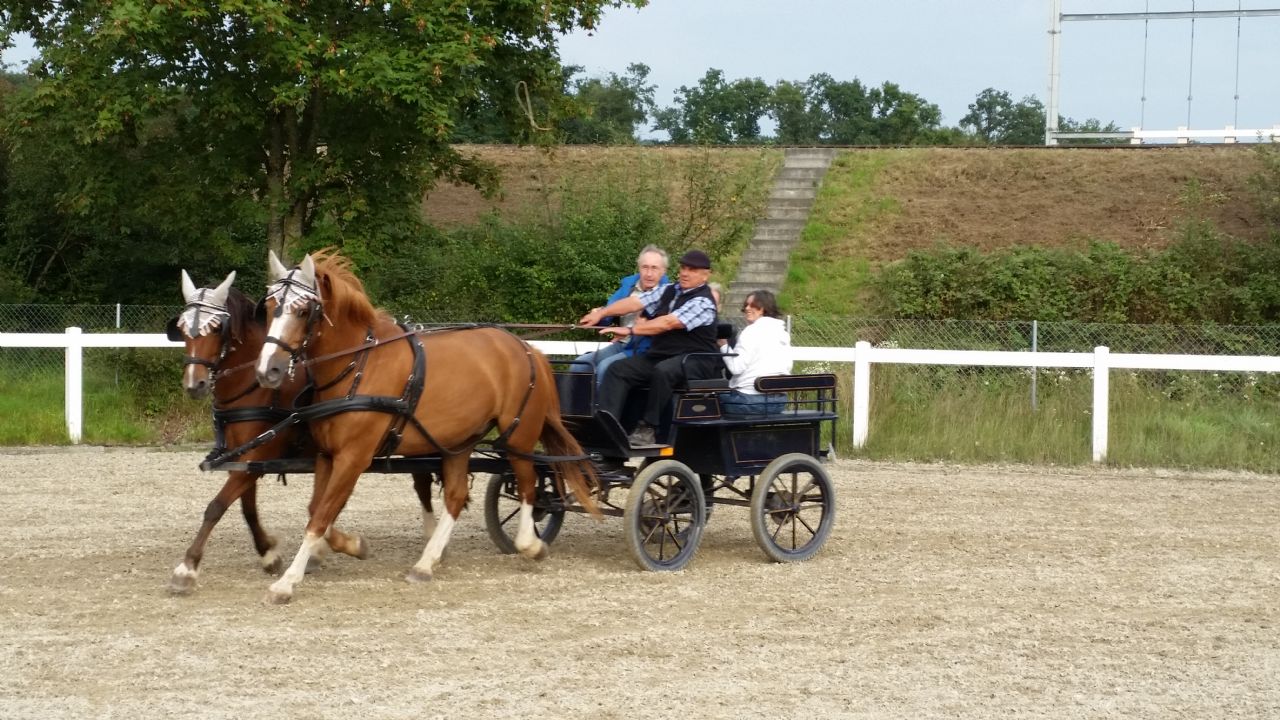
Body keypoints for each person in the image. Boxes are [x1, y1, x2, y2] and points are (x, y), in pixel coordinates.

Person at [578, 249, 721, 446]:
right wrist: (602, 313)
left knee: (663, 371)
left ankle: (649, 428)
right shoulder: (669, 290)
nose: (685, 273)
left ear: (706, 274)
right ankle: (606, 430)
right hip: (663, 354)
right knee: (618, 369)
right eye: (683, 268)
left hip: (696, 359)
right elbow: (635, 301)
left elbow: (668, 323)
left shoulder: (703, 301)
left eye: (692, 270)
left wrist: (631, 330)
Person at [575, 245, 669, 389]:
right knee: (579, 365)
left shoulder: (669, 293)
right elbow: (608, 315)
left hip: (646, 349)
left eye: (654, 268)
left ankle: (600, 411)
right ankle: (576, 410)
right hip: (622, 344)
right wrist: (598, 314)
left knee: (605, 368)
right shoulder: (628, 288)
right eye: (645, 267)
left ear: (663, 271)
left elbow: (665, 327)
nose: (649, 273)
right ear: (639, 268)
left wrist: (642, 326)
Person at [718, 290, 792, 415]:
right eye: (746, 305)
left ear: (763, 308)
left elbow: (736, 368)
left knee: (710, 401)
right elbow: (787, 366)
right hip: (779, 403)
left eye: (752, 305)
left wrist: (723, 345)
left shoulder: (750, 332)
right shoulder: (783, 333)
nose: (747, 308)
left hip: (749, 402)